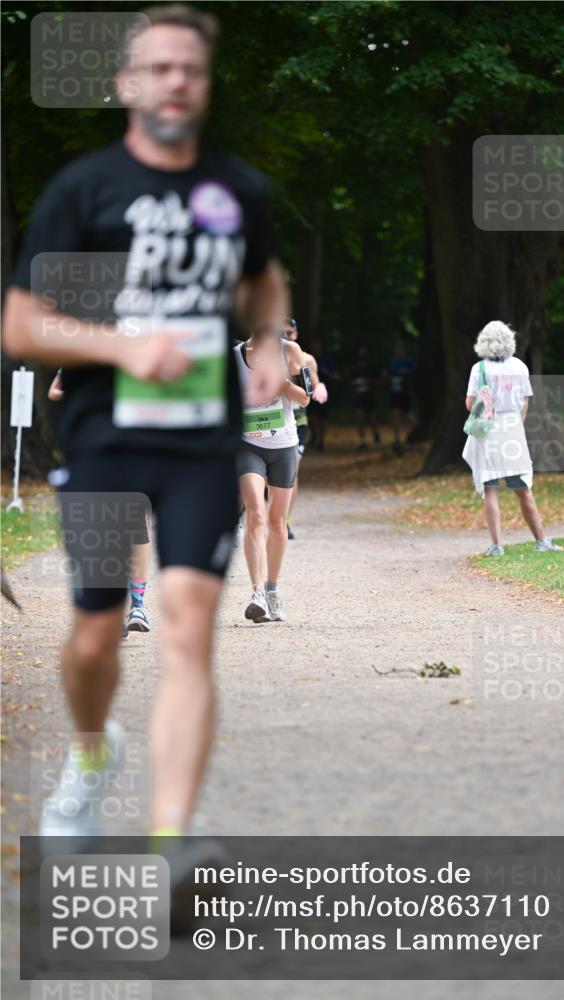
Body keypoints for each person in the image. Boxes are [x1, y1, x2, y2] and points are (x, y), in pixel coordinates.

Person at [3, 4, 288, 843]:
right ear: (129, 83)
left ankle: (174, 835)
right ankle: (93, 751)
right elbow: (21, 325)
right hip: (101, 440)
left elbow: (263, 283)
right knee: (96, 635)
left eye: (190, 70)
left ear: (204, 85)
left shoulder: (235, 191)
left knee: (189, 630)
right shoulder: (82, 191)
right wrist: (123, 348)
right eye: (158, 68)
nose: (175, 82)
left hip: (203, 442)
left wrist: (268, 339)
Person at [48, 369, 153, 636]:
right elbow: (54, 390)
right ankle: (112, 613)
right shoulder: (88, 352)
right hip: (96, 450)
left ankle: (138, 605)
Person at [462, 321, 563, 556]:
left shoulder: (479, 369)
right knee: (522, 488)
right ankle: (541, 540)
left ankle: (497, 545)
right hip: (513, 429)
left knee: (490, 488)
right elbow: (525, 402)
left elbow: (469, 404)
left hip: (488, 431)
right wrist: (516, 424)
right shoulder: (519, 366)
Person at [235, 326, 309, 622]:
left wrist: (279, 384)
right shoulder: (235, 357)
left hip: (284, 445)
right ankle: (257, 594)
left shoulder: (289, 351)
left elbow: (305, 398)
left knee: (277, 523)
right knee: (255, 513)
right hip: (247, 444)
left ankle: (272, 589)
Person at [283, 318, 327, 539]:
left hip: (297, 422)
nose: (285, 337)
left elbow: (315, 381)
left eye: (289, 333)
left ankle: (285, 521)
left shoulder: (307, 359)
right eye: (280, 332)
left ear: (296, 335)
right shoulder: (265, 355)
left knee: (292, 472)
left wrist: (320, 388)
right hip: (271, 421)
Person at [385, 340, 416, 454]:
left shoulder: (408, 362)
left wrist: (406, 373)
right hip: (394, 392)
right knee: (395, 414)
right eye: (396, 349)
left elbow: (413, 374)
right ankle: (397, 438)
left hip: (405, 392)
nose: (397, 351)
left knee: (407, 414)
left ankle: (415, 429)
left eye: (399, 349)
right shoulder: (392, 362)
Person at [308, 338, 339, 451]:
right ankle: (314, 434)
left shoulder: (327, 360)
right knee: (310, 417)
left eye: (318, 346)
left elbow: (336, 376)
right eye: (314, 346)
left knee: (322, 418)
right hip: (310, 392)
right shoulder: (307, 359)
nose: (316, 348)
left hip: (323, 392)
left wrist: (328, 373)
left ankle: (321, 440)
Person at [352, 344, 381, 449]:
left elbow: (380, 380)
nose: (362, 353)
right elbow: (350, 381)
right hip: (359, 396)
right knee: (360, 418)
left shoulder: (372, 366)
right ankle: (362, 440)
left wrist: (370, 381)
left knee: (372, 418)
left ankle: (376, 432)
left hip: (370, 396)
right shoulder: (355, 367)